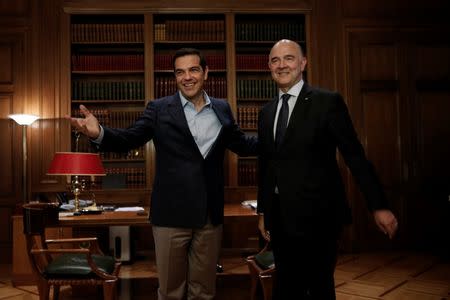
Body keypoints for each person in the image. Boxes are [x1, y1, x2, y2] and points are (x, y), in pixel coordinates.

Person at [68, 48, 257, 300]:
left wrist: (279, 138)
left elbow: (242, 145)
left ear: (206, 73)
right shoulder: (158, 109)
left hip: (209, 216)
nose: (186, 77)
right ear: (175, 77)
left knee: (204, 291)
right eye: (180, 72)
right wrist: (98, 133)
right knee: (170, 292)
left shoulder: (222, 109)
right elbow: (129, 138)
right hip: (170, 216)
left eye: (193, 70)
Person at [256, 39, 398, 300]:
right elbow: (266, 167)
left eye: (288, 58)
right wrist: (263, 211)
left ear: (303, 63)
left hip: (319, 218)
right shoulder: (266, 113)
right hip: (281, 219)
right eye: (275, 60)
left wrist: (378, 205)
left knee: (319, 288)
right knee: (285, 288)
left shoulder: (326, 102)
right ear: (269, 66)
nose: (281, 65)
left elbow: (354, 155)